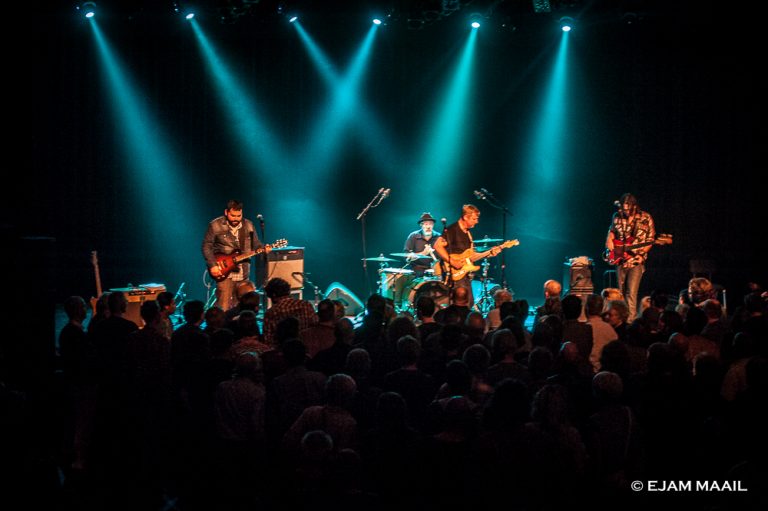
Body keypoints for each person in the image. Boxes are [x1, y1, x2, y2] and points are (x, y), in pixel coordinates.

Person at [202, 199, 266, 311]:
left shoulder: (249, 225)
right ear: (226, 212)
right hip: (224, 272)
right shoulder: (215, 225)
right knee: (224, 306)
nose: (236, 218)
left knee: (242, 307)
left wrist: (264, 249)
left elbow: (256, 244)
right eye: (233, 215)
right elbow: (206, 246)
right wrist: (212, 265)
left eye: (239, 215)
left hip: (243, 271)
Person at [604, 193, 656, 321]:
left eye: (628, 209)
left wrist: (641, 253)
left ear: (634, 206)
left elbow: (650, 239)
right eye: (623, 208)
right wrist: (609, 242)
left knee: (631, 294)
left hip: (636, 261)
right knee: (620, 294)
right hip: (620, 261)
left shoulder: (646, 218)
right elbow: (611, 232)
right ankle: (619, 320)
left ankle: (630, 321)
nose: (625, 211)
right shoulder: (617, 216)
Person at [433, 204, 500, 303]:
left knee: (469, 302)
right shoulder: (452, 230)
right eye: (474, 219)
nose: (477, 222)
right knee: (463, 303)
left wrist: (489, 253)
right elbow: (437, 246)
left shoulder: (468, 233)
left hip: (464, 273)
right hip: (454, 274)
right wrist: (452, 261)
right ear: (465, 217)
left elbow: (471, 256)